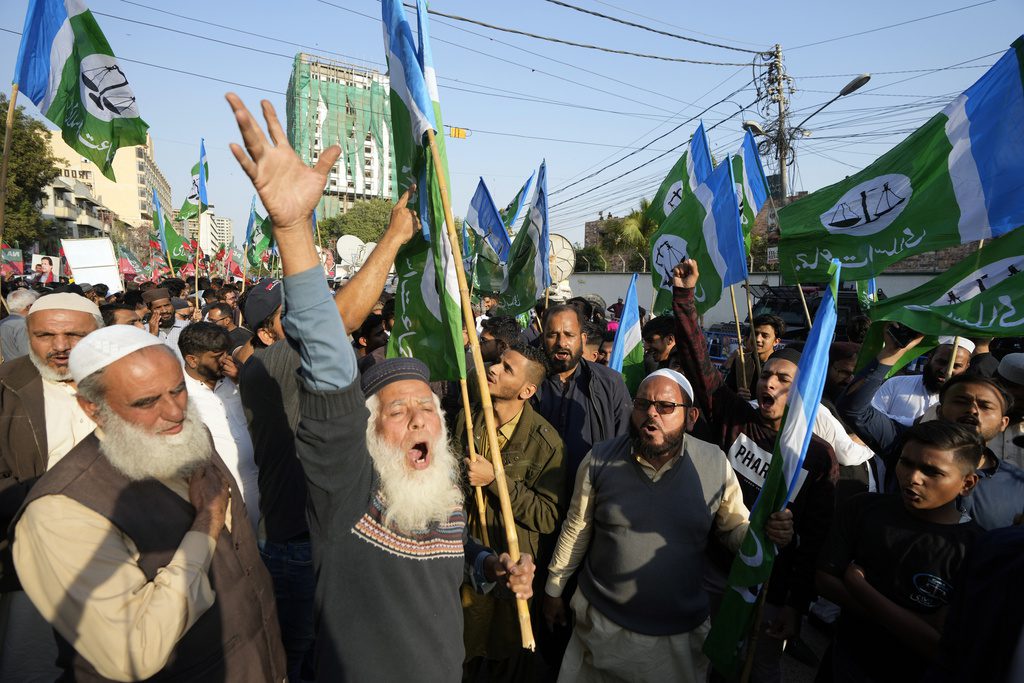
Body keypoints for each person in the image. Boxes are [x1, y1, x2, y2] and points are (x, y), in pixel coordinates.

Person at [227, 93, 534, 682]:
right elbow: (325, 348)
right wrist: (293, 229)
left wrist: (491, 565)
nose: (420, 417)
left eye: (427, 407)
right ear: (367, 429)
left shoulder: (438, 495)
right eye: (399, 410)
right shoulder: (349, 492)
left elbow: (447, 554)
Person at [12, 324, 286, 681]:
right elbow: (132, 653)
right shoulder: (58, 512)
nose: (174, 411)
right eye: (146, 402)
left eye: (178, 390)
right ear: (92, 408)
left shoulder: (189, 431)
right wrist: (205, 524)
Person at [543, 369, 794, 682]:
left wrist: (764, 534)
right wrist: (554, 588)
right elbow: (576, 529)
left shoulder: (714, 463)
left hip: (678, 640)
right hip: (602, 628)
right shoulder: (600, 459)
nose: (651, 413)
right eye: (642, 404)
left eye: (664, 406)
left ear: (691, 417)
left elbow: (733, 529)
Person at [670, 259, 837, 682]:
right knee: (702, 654)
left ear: (801, 391)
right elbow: (700, 367)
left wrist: (796, 606)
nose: (770, 384)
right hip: (714, 567)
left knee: (759, 667)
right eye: (767, 375)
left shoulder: (815, 458)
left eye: (784, 379)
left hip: (770, 586)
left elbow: (815, 537)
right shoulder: (734, 418)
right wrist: (686, 300)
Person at [816, 421, 983, 683]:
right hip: (843, 661)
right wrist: (914, 622)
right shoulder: (863, 508)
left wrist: (860, 587)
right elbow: (825, 580)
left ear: (967, 483)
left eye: (932, 471)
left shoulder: (977, 551)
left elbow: (941, 645)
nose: (913, 477)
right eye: (906, 463)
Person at [0, 293, 102, 680]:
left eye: (73, 335)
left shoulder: (127, 378)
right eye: (45, 335)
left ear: (97, 333)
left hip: (122, 559)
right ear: (27, 334)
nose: (59, 347)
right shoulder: (7, 384)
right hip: (31, 563)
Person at [838, 326, 1024, 529]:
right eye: (961, 401)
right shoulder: (907, 444)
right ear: (940, 410)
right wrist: (890, 353)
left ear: (1003, 422)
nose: (973, 410)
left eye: (985, 406)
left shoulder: (1017, 485)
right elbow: (855, 409)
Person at [458, 341, 565, 680]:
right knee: (461, 652)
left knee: (504, 658)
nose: (493, 368)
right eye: (498, 362)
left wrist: (495, 479)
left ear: (527, 390)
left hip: (511, 568)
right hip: (465, 561)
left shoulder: (546, 443)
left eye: (507, 369)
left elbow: (547, 516)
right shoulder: (467, 416)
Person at [533, 304, 632, 480]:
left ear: (583, 339)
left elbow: (624, 444)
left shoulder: (610, 383)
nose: (561, 343)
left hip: (594, 492)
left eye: (569, 335)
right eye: (552, 335)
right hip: (538, 496)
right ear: (542, 339)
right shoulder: (529, 382)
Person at [178, 322, 260, 532]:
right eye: (217, 357)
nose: (225, 361)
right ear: (192, 360)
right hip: (223, 500)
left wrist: (243, 381)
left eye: (226, 354)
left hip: (260, 489)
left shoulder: (236, 380)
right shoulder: (179, 395)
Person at [870, 337, 974, 427]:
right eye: (941, 362)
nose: (945, 371)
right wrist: (913, 423)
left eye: (956, 366)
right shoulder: (896, 384)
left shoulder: (968, 400)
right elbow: (872, 416)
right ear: (929, 358)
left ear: (967, 367)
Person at [722, 313, 785, 393]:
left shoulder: (782, 366)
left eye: (765, 336)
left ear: (776, 341)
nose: (758, 339)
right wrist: (738, 397)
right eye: (755, 334)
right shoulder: (740, 361)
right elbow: (727, 391)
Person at [143, 287, 187, 353]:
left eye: (167, 305)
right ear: (150, 310)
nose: (164, 310)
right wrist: (152, 335)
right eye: (158, 307)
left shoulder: (186, 326)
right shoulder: (143, 330)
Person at [0, 288, 39, 360]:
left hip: (8, 368)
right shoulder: (23, 325)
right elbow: (28, 354)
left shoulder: (2, 322)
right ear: (29, 306)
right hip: (23, 368)